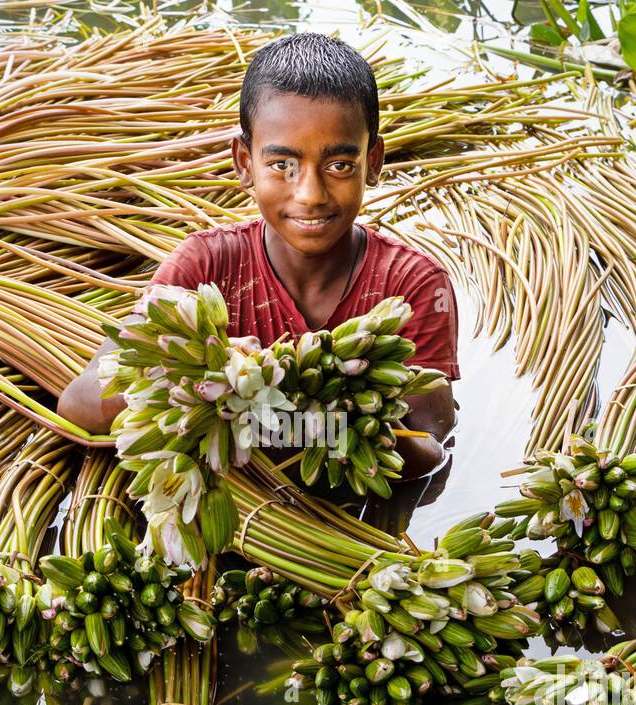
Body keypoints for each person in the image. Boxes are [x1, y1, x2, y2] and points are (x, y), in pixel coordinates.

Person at [58, 32, 459, 481]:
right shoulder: (205, 267)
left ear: (374, 160)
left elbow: (431, 451)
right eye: (282, 165)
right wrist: (214, 372)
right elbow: (80, 404)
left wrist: (326, 412)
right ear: (245, 163)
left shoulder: (412, 283)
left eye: (340, 165)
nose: (309, 194)